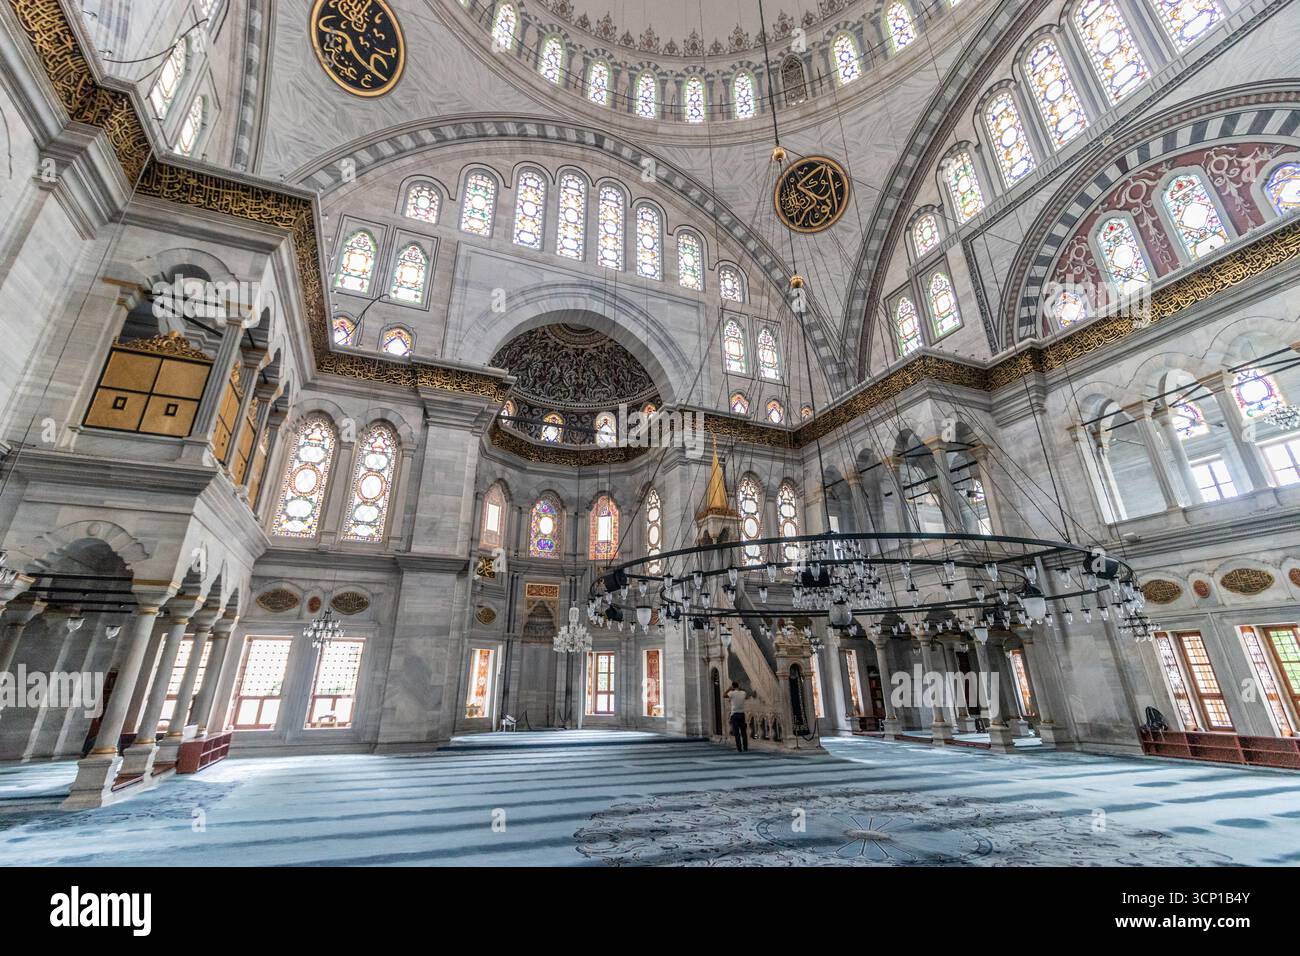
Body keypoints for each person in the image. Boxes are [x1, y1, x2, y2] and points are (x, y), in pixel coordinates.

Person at [725, 681, 749, 753]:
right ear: (738, 686)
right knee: (743, 732)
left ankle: (739, 749)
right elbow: (745, 693)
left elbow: (723, 695)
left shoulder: (731, 693)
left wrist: (729, 689)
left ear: (732, 686)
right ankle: (745, 747)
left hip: (735, 714)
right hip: (742, 714)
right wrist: (739, 688)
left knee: (737, 733)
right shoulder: (743, 693)